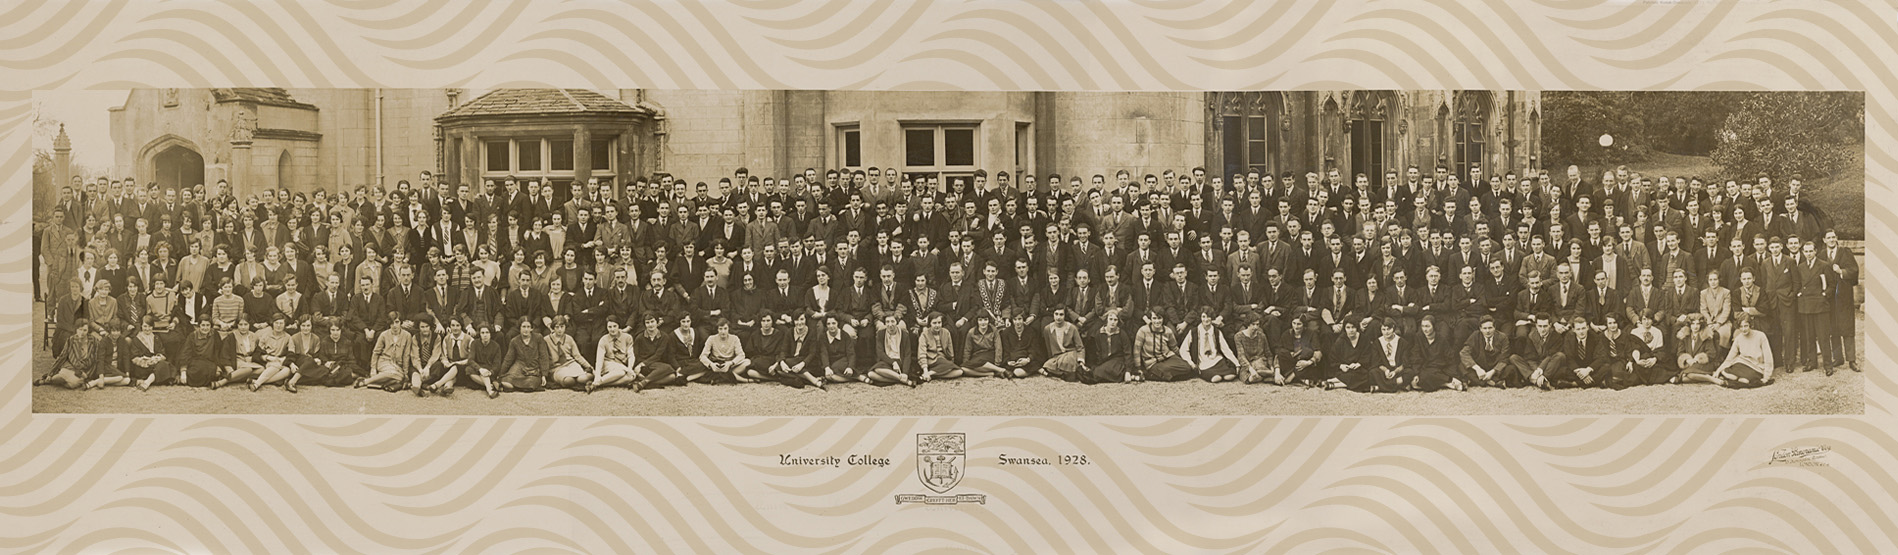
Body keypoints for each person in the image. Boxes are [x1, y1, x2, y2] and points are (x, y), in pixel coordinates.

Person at [1709, 314, 1774, 388]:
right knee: (1725, 371)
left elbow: (1768, 358)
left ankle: (1739, 380)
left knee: (1745, 380)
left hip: (1756, 367)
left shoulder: (1761, 336)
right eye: (1741, 326)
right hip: (1742, 364)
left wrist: (1766, 377)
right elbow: (1729, 358)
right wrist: (1718, 371)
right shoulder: (1738, 338)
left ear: (1751, 325)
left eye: (1746, 326)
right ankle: (1739, 379)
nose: (1743, 329)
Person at [1135, 309, 1194, 382]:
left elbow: (1174, 348)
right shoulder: (1143, 331)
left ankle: (1161, 376)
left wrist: (1184, 360)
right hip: (1152, 362)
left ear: (1163, 319)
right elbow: (1137, 350)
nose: (1157, 321)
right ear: (1150, 319)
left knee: (1186, 367)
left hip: (1168, 357)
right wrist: (1138, 368)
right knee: (1164, 369)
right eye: (1154, 318)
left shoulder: (1167, 331)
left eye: (1159, 318)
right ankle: (1152, 374)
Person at [699, 318, 749, 384]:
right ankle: (729, 376)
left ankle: (719, 377)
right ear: (717, 330)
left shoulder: (734, 338)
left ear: (728, 329)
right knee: (700, 365)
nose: (723, 332)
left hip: (729, 365)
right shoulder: (711, 338)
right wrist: (711, 365)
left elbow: (741, 355)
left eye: (725, 328)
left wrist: (730, 363)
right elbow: (703, 356)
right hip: (716, 365)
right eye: (720, 329)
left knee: (747, 362)